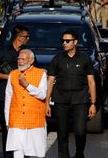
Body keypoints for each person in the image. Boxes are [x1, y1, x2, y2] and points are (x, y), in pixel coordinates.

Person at [45, 30, 97, 158]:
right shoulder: (57, 59)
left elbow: (91, 82)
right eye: (63, 41)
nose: (64, 43)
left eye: (67, 41)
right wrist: (47, 102)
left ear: (75, 42)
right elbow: (50, 81)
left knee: (80, 131)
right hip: (61, 101)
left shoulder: (85, 59)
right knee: (62, 133)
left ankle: (79, 153)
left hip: (80, 100)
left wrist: (93, 103)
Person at [0, 25, 30, 157]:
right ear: (20, 37)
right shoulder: (4, 52)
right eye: (26, 36)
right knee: (8, 128)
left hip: (23, 95)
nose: (28, 39)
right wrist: (9, 77)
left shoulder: (26, 53)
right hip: (6, 95)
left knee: (23, 127)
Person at [4, 49, 48, 158]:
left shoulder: (41, 73)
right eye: (19, 59)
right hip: (16, 119)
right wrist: (7, 121)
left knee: (36, 152)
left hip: (35, 120)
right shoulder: (13, 74)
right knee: (17, 150)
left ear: (31, 60)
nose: (20, 61)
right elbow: (8, 98)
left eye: (23, 59)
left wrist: (27, 85)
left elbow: (42, 95)